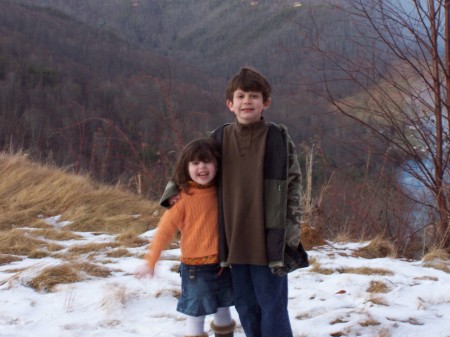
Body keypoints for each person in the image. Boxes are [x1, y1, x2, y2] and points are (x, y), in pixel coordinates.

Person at [161, 67, 302, 337]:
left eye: (253, 96)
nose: (247, 101)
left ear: (266, 102)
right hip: (232, 240)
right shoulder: (219, 137)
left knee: (272, 305)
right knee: (246, 305)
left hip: (268, 239)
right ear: (230, 104)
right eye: (240, 96)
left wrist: (291, 233)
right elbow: (194, 166)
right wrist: (173, 191)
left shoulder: (278, 138)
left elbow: (294, 186)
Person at [135, 138, 236, 337]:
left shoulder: (223, 192)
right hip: (195, 269)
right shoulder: (182, 199)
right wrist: (151, 261)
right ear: (186, 167)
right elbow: (164, 231)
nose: (202, 167)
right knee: (196, 315)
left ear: (216, 165)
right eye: (195, 163)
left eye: (207, 162)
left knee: (223, 308)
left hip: (224, 265)